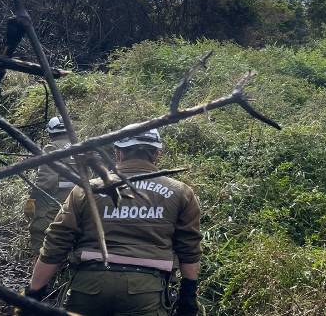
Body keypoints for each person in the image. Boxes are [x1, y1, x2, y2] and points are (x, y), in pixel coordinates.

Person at [22, 128, 202, 316]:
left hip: (88, 287)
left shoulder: (87, 189)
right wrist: (188, 296)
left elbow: (56, 243)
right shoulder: (180, 192)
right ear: (157, 154)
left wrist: (34, 292)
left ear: (118, 153)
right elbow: (189, 249)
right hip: (147, 293)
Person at [24, 116, 79, 257]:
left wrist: (31, 200)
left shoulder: (51, 148)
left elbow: (46, 181)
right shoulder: (80, 147)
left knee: (40, 232)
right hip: (79, 201)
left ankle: (42, 273)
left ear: (50, 133)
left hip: (54, 203)